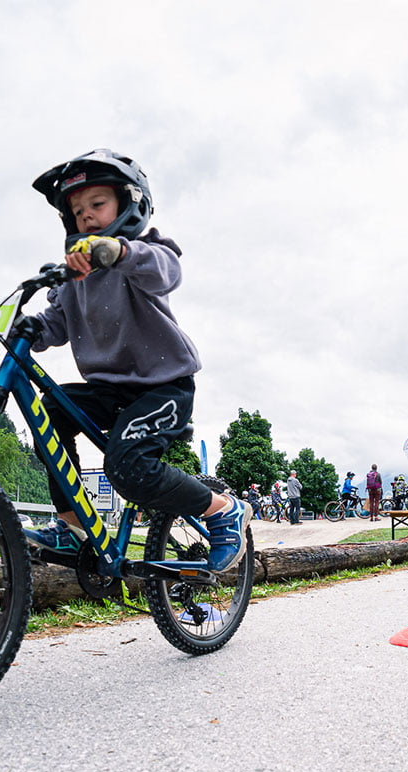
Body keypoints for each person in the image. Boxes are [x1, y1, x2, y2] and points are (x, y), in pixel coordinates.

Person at [21, 148, 250, 569]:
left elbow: (166, 272)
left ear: (129, 204)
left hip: (163, 388)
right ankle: (73, 527)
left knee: (126, 468)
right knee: (48, 413)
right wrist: (15, 327)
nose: (87, 216)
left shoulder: (145, 252)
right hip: (109, 391)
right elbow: (52, 326)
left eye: (98, 203)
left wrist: (119, 253)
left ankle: (222, 509)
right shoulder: (73, 280)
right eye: (78, 211)